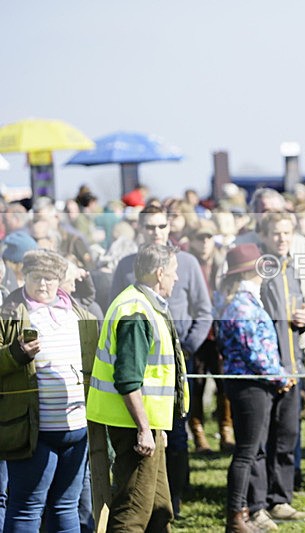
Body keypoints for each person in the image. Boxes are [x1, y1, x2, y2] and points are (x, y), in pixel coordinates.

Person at [110, 204, 213, 517]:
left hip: (176, 362)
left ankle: (175, 497)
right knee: (148, 435)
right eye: (150, 227)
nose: (156, 232)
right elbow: (118, 310)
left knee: (177, 434)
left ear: (169, 228)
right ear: (140, 229)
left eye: (161, 226)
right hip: (140, 364)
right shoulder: (127, 265)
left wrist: (186, 349)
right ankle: (150, 501)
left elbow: (204, 310)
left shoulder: (187, 263)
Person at [86, 243, 189, 532]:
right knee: (132, 512)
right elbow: (128, 379)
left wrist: (157, 427)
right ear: (160, 273)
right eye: (173, 271)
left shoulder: (144, 304)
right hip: (133, 425)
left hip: (146, 423)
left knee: (159, 508)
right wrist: (144, 428)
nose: (177, 277)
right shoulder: (136, 311)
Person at [0, 250, 100, 532]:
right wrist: (16, 353)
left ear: (60, 280)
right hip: (33, 431)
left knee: (66, 506)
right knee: (27, 507)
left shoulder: (79, 313)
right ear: (24, 276)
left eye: (49, 278)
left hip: (77, 428)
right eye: (36, 277)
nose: (43, 284)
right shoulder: (9, 313)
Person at [216, 243, 291, 533]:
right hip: (250, 386)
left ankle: (242, 513)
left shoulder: (243, 301)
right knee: (246, 453)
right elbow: (255, 353)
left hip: (253, 384)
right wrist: (281, 376)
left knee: (249, 451)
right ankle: (236, 516)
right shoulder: (242, 305)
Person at [246, 213, 305, 524]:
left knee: (287, 436)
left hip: (292, 367)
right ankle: (256, 505)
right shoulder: (257, 268)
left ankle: (280, 500)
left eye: (287, 233)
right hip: (265, 371)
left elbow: (297, 313)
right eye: (276, 233)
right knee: (260, 441)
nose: (282, 238)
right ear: (263, 236)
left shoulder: (292, 268)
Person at [186, 219, 235, 454]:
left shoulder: (223, 262)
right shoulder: (187, 263)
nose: (204, 242)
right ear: (191, 240)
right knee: (196, 385)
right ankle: (198, 434)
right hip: (197, 332)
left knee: (225, 384)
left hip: (220, 332)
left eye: (208, 237)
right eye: (199, 237)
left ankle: (226, 430)